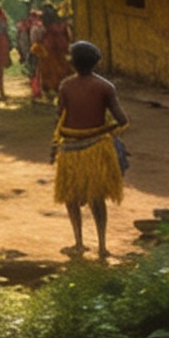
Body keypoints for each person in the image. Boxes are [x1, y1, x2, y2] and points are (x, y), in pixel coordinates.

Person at [51, 41, 129, 258]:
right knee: (97, 198)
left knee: (71, 197)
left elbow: (60, 116)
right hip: (96, 148)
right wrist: (105, 132)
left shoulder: (66, 86)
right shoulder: (105, 87)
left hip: (70, 149)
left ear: (73, 63)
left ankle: (79, 242)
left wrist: (58, 142)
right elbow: (122, 120)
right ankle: (102, 246)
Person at [33, 7, 74, 103]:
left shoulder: (44, 29)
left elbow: (37, 40)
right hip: (61, 53)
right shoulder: (63, 26)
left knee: (50, 74)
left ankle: (52, 92)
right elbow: (69, 37)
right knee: (63, 72)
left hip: (48, 54)